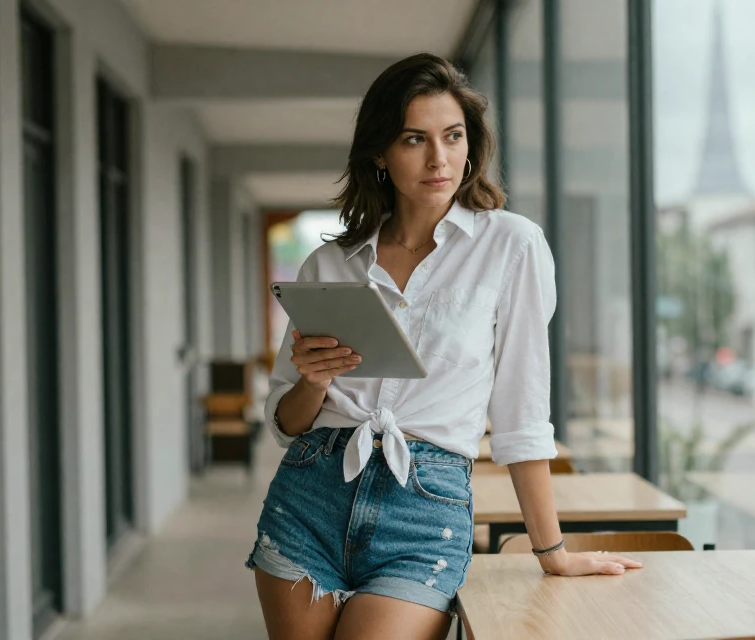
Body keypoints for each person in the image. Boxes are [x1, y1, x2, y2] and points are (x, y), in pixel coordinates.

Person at [245, 53, 641, 640]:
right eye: (414, 139)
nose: (439, 158)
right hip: (310, 493)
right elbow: (285, 423)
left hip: (424, 507)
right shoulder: (331, 262)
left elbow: (522, 412)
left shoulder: (512, 245)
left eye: (453, 137)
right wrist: (312, 381)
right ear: (380, 152)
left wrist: (550, 550)